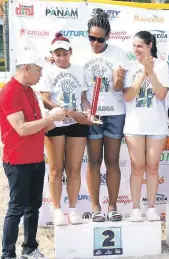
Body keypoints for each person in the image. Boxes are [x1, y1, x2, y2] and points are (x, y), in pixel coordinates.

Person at [0, 49, 66, 259]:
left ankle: (29, 248)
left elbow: (40, 126)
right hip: (18, 160)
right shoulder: (9, 92)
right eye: (38, 70)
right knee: (17, 208)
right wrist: (50, 119)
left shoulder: (29, 91)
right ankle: (7, 254)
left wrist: (66, 116)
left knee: (33, 207)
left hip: (36, 158)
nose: (40, 74)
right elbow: (22, 128)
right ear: (26, 68)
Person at [39, 33, 92, 226]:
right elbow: (45, 100)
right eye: (58, 54)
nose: (61, 57)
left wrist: (88, 113)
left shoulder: (80, 70)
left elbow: (84, 98)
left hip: (76, 122)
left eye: (65, 53)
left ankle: (72, 209)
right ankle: (57, 210)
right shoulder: (48, 72)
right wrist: (65, 112)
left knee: (74, 167)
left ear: (71, 52)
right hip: (55, 122)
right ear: (52, 55)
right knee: (55, 169)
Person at [82, 9, 129, 222]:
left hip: (115, 115)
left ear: (107, 37)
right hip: (93, 116)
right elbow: (82, 92)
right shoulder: (82, 56)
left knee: (112, 161)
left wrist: (118, 79)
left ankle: (112, 206)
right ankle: (95, 207)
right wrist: (86, 112)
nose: (95, 43)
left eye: (99, 39)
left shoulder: (118, 53)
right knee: (93, 161)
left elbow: (119, 88)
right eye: (91, 38)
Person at [123, 31, 169, 221]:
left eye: (140, 46)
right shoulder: (130, 66)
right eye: (134, 46)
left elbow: (161, 95)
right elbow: (127, 96)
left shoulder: (162, 66)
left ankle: (151, 208)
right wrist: (142, 74)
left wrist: (151, 72)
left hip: (156, 124)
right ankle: (135, 208)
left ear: (150, 45)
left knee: (152, 167)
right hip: (134, 124)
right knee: (137, 167)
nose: (136, 50)